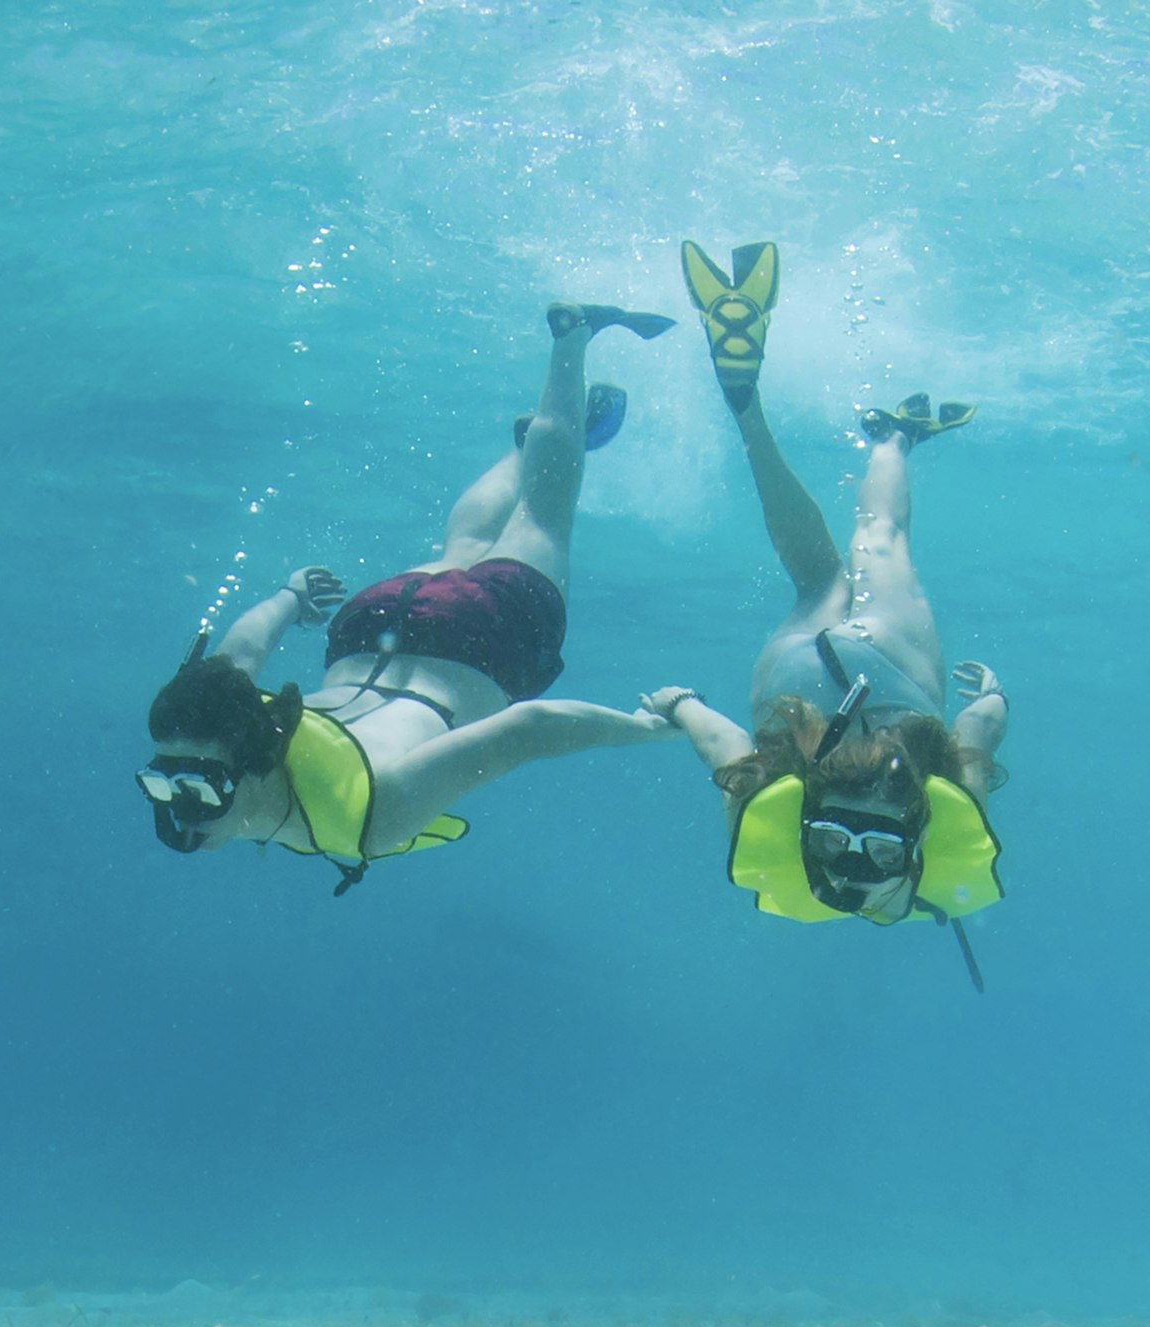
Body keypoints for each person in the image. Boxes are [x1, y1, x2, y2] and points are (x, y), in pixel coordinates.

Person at [139, 302, 686, 895]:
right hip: (373, 622)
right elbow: (235, 657)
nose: (181, 811)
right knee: (467, 541)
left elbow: (530, 727)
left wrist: (645, 729)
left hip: (487, 641)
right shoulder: (233, 718)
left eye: (196, 789)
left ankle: (573, 337)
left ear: (249, 769)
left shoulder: (373, 817)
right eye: (164, 783)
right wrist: (289, 597)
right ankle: (526, 445)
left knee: (543, 516)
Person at [642, 240, 1015, 978]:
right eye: (877, 852)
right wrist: (679, 702)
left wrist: (996, 695)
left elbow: (978, 727)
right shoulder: (766, 823)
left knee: (881, 538)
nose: (863, 850)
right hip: (791, 676)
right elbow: (722, 748)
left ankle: (894, 437)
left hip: (894, 667)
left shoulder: (946, 819)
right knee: (814, 578)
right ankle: (749, 414)